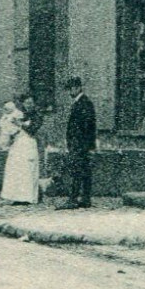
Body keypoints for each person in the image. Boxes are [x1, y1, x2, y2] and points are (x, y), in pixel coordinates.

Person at [59, 77, 97, 209]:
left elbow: (88, 127)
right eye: (69, 89)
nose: (70, 91)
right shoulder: (80, 102)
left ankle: (73, 199)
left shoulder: (83, 103)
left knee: (76, 171)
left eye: (72, 88)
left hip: (80, 145)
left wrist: (81, 145)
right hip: (81, 144)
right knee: (84, 171)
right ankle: (85, 199)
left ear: (78, 87)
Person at [0, 94, 41, 205]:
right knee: (17, 168)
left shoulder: (37, 115)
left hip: (29, 143)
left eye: (31, 103)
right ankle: (16, 196)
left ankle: (27, 197)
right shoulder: (21, 114)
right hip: (18, 143)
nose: (29, 105)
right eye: (27, 103)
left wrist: (20, 124)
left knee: (27, 169)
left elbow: (32, 129)